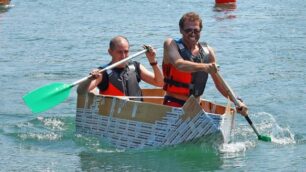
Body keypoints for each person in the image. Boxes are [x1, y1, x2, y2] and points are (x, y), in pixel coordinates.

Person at [162, 12, 248, 116]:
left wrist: (237, 101)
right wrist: (205, 67)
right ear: (181, 30)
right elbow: (179, 64)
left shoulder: (208, 52)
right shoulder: (171, 44)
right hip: (173, 104)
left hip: (196, 107)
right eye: (188, 30)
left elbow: (219, 83)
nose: (192, 33)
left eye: (196, 30)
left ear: (200, 31)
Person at [77, 35, 163, 99]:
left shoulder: (135, 66)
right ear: (110, 52)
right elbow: (81, 92)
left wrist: (153, 61)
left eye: (126, 52)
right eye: (119, 52)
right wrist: (90, 79)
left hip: (137, 113)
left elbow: (160, 83)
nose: (123, 56)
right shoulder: (102, 73)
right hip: (115, 116)